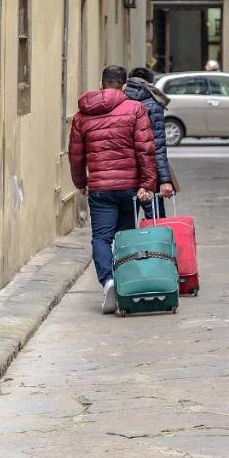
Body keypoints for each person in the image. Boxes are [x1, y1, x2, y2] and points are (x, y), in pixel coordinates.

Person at [69, 65, 157, 313]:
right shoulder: (135, 109)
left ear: (101, 84)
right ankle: (125, 284)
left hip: (99, 187)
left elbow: (76, 156)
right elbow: (145, 150)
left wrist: (81, 183)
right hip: (129, 187)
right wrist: (147, 184)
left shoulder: (82, 115)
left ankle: (107, 281)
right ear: (124, 86)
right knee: (125, 238)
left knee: (101, 237)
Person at [124, 67, 175, 218]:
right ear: (150, 83)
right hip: (149, 173)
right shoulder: (153, 102)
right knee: (155, 221)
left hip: (124, 172)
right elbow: (158, 146)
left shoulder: (119, 100)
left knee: (126, 224)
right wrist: (165, 180)